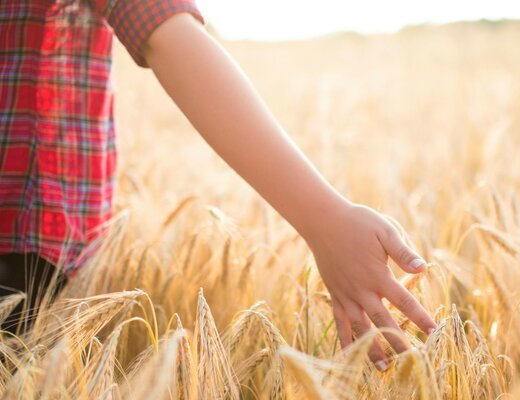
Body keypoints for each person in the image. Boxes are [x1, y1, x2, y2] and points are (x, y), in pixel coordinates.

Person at [0, 0, 437, 370]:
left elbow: (163, 28)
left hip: (25, 235)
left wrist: (326, 218)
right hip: (28, 231)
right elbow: (164, 30)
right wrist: (326, 219)